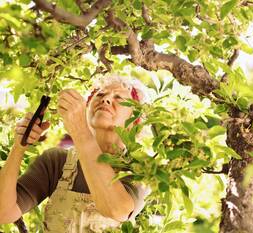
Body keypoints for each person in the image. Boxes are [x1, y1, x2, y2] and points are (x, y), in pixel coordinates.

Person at [0, 74, 150, 232]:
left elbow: (117, 210)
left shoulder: (142, 169)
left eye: (118, 98)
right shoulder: (57, 162)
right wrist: (19, 147)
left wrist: (80, 130)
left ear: (136, 120)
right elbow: (3, 212)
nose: (106, 99)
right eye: (100, 94)